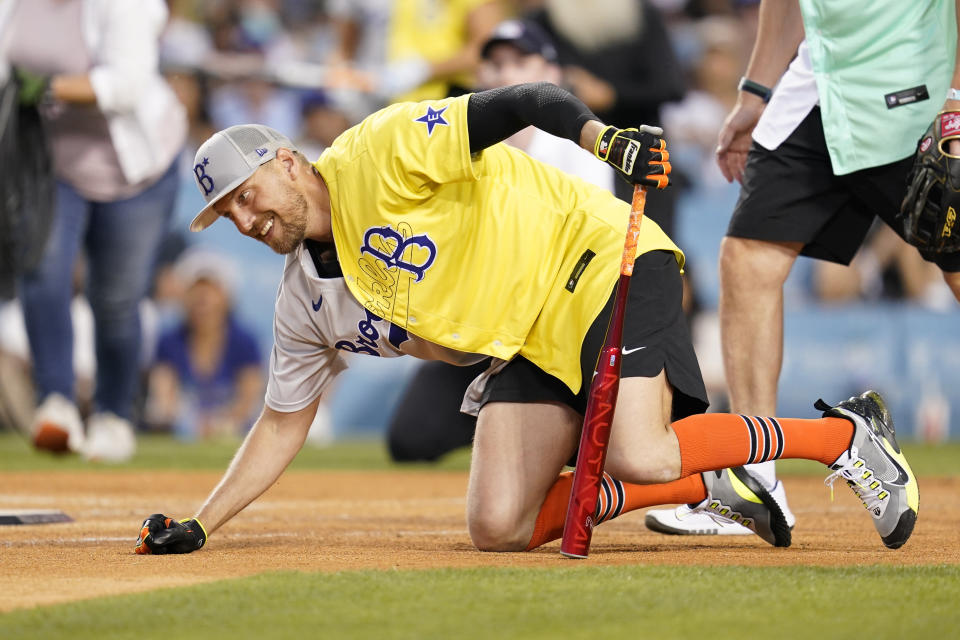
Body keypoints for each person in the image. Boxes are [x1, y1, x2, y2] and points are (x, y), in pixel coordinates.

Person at [134, 81, 918, 556]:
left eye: (245, 194)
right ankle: (707, 481)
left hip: (594, 255)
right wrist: (202, 525)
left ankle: (844, 437)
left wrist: (603, 139)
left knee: (641, 453)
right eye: (224, 213)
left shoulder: (377, 151)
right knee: (499, 528)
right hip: (524, 338)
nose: (243, 218)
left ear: (286, 161)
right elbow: (278, 424)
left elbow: (525, 103)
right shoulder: (302, 302)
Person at [681, 0, 960, 537]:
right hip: (817, 90)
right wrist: (754, 92)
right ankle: (753, 479)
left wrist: (956, 100)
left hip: (909, 92)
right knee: (747, 257)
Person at [387, 18, 615, 463]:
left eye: (519, 60)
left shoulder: (580, 151)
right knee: (410, 440)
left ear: (552, 73)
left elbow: (589, 254)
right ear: (478, 78)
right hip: (475, 331)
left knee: (589, 452)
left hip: (550, 334)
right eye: (493, 62)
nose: (504, 72)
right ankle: (498, 426)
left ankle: (527, 429)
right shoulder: (454, 150)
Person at [0, 0, 187, 462]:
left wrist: (48, 86)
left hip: (136, 171)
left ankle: (113, 416)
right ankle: (57, 402)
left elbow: (127, 85)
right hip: (51, 167)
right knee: (41, 268)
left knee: (116, 298)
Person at [144, 247, 264, 441]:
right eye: (195, 289)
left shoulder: (245, 341)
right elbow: (163, 397)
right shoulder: (168, 341)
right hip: (182, 436)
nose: (203, 298)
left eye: (212, 289)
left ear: (227, 297)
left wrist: (222, 424)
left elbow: (249, 400)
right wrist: (191, 425)